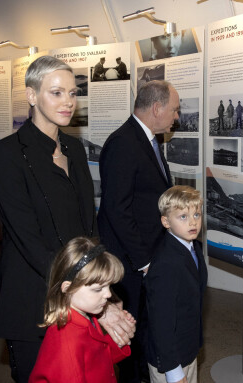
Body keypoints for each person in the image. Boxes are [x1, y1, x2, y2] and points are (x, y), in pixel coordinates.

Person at [0, 56, 134, 382]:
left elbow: (89, 230)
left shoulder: (74, 148)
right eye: (56, 93)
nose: (68, 102)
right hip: (34, 302)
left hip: (81, 296)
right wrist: (93, 293)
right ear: (31, 95)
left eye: (72, 93)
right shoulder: (5, 156)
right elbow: (29, 242)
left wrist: (103, 290)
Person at [98, 80, 178, 383]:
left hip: (145, 258)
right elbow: (117, 210)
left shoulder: (146, 140)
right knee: (128, 334)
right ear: (156, 108)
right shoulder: (123, 143)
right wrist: (144, 260)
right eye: (174, 109)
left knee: (143, 328)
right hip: (130, 263)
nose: (176, 116)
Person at [29, 237, 132, 383]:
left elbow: (96, 360)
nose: (109, 294)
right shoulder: (67, 342)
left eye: (109, 286)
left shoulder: (87, 315)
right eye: (98, 289)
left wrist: (118, 340)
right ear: (68, 288)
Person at [146, 186, 207, 383]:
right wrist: (173, 370)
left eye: (196, 214)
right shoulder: (166, 264)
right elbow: (161, 322)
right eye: (183, 216)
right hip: (170, 362)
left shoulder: (194, 247)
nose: (193, 222)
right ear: (165, 221)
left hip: (187, 350)